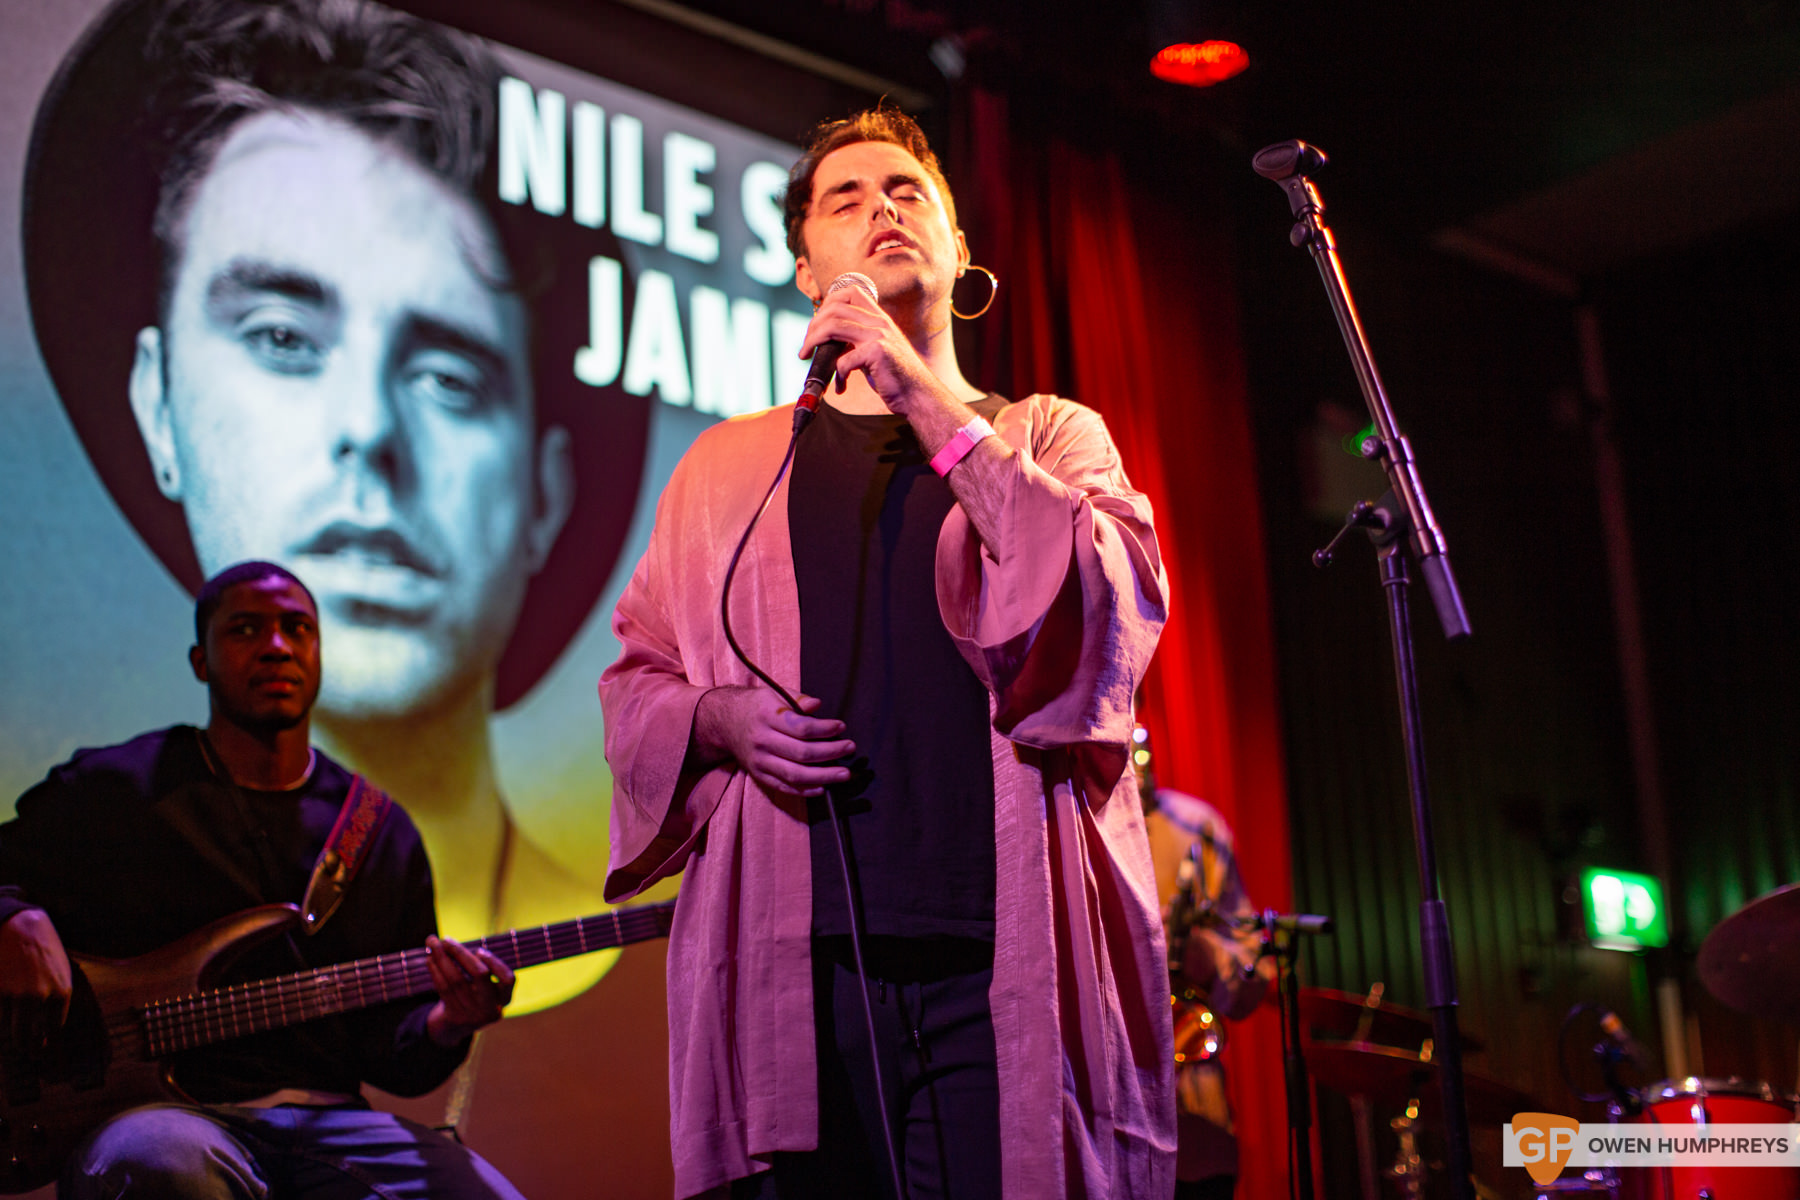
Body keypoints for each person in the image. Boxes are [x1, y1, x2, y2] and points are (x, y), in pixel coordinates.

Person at [21, 0, 647, 1012]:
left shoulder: (595, 961)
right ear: (158, 403)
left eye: (449, 377)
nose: (370, 430)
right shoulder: (118, 801)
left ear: (545, 491)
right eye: (281, 337)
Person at [600, 106, 1174, 1198]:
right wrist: (718, 721)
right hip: (799, 966)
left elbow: (1111, 612)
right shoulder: (727, 469)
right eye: (846, 200)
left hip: (999, 955)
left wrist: (917, 390)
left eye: (910, 193)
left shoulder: (1050, 434)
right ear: (807, 267)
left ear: (961, 257)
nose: (883, 210)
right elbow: (640, 678)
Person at [0, 561, 524, 1199]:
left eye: (296, 628)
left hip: (333, 1123)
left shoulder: (379, 830)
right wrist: (11, 917)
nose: (276, 646)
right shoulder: (118, 791)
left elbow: (394, 1055)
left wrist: (449, 1019)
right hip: (157, 1121)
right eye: (246, 629)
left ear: (318, 654)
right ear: (201, 661)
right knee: (158, 1164)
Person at [1135, 725, 1274, 1199]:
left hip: (1194, 1125)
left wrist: (1212, 959)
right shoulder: (1068, 825)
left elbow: (1257, 964)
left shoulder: (1197, 827)